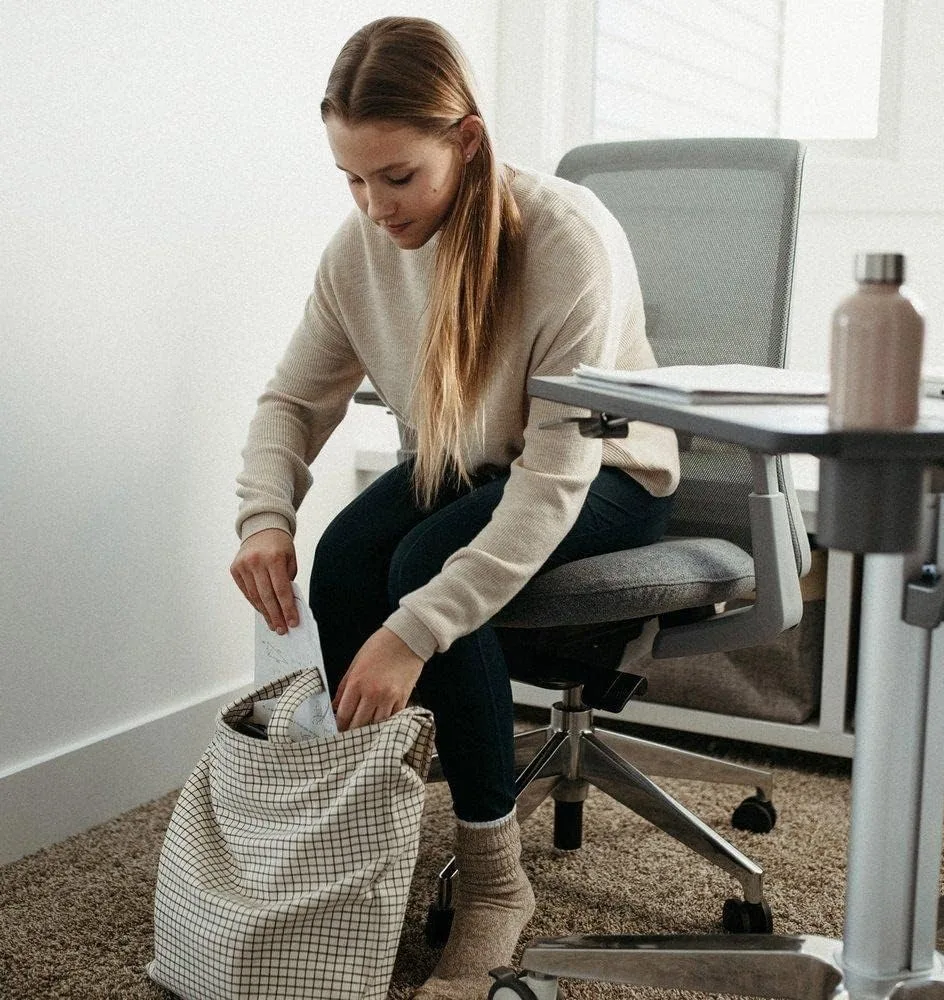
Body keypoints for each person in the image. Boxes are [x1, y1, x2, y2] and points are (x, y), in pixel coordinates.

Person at [230, 16, 680, 999]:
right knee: (346, 553)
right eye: (351, 178)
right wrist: (264, 514)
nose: (373, 205)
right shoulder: (359, 252)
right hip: (474, 460)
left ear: (465, 141)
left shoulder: (565, 237)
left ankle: (493, 885)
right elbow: (291, 401)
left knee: (418, 572)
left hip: (604, 474)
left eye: (396, 176)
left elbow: (556, 475)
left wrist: (412, 634)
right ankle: (372, 832)